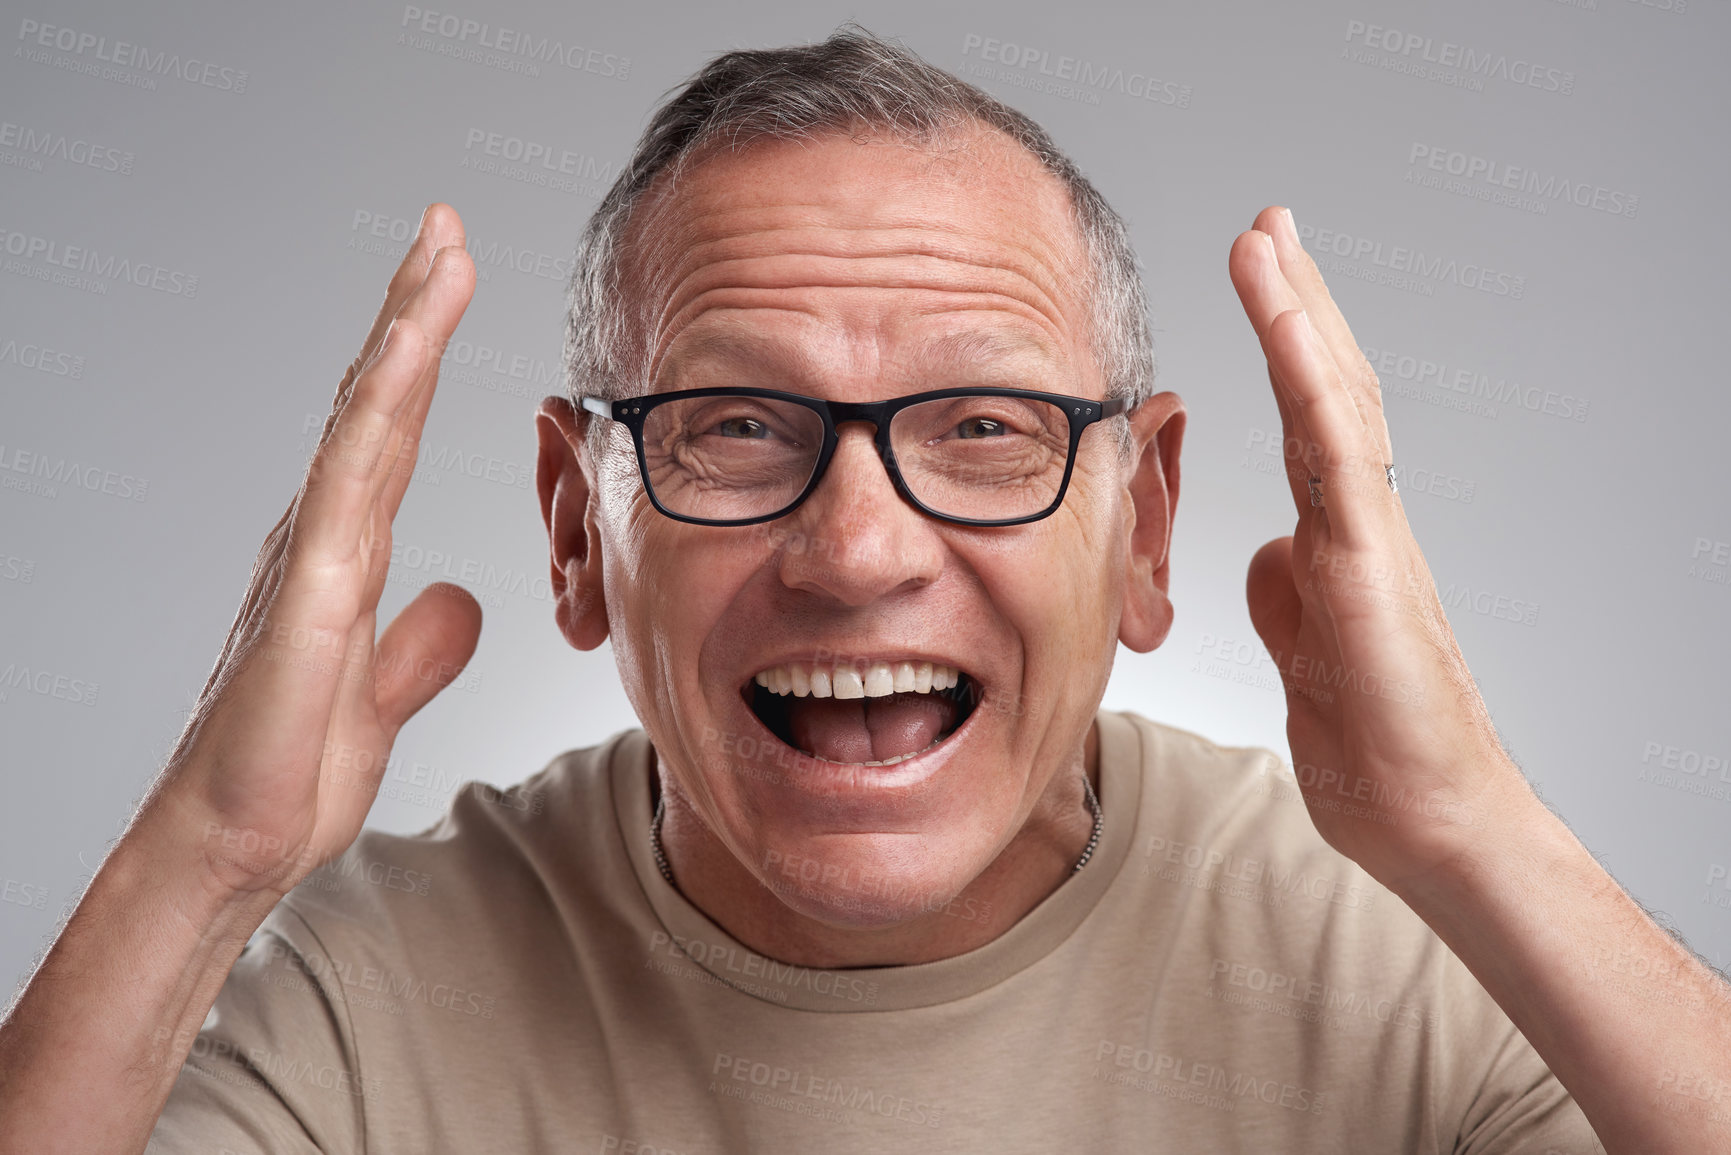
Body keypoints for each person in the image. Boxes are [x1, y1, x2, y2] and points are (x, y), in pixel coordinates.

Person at [1, 27, 1725, 1153]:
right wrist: (197, 870)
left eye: (984, 426)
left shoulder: (1402, 953)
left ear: (1143, 530)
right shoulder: (371, 993)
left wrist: (1478, 836)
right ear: (575, 527)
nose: (856, 549)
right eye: (738, 425)